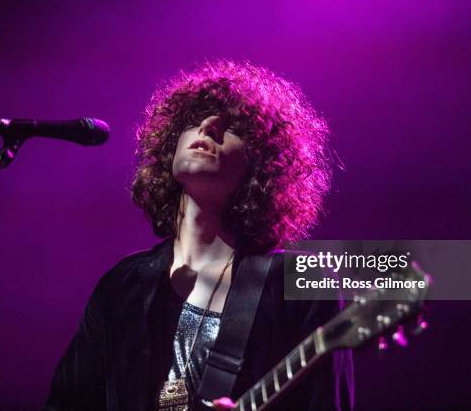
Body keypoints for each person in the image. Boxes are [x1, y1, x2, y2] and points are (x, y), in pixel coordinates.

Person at [44, 60, 353, 410]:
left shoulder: (299, 284)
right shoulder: (122, 286)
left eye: (233, 127)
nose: (207, 127)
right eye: (194, 120)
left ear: (261, 164)